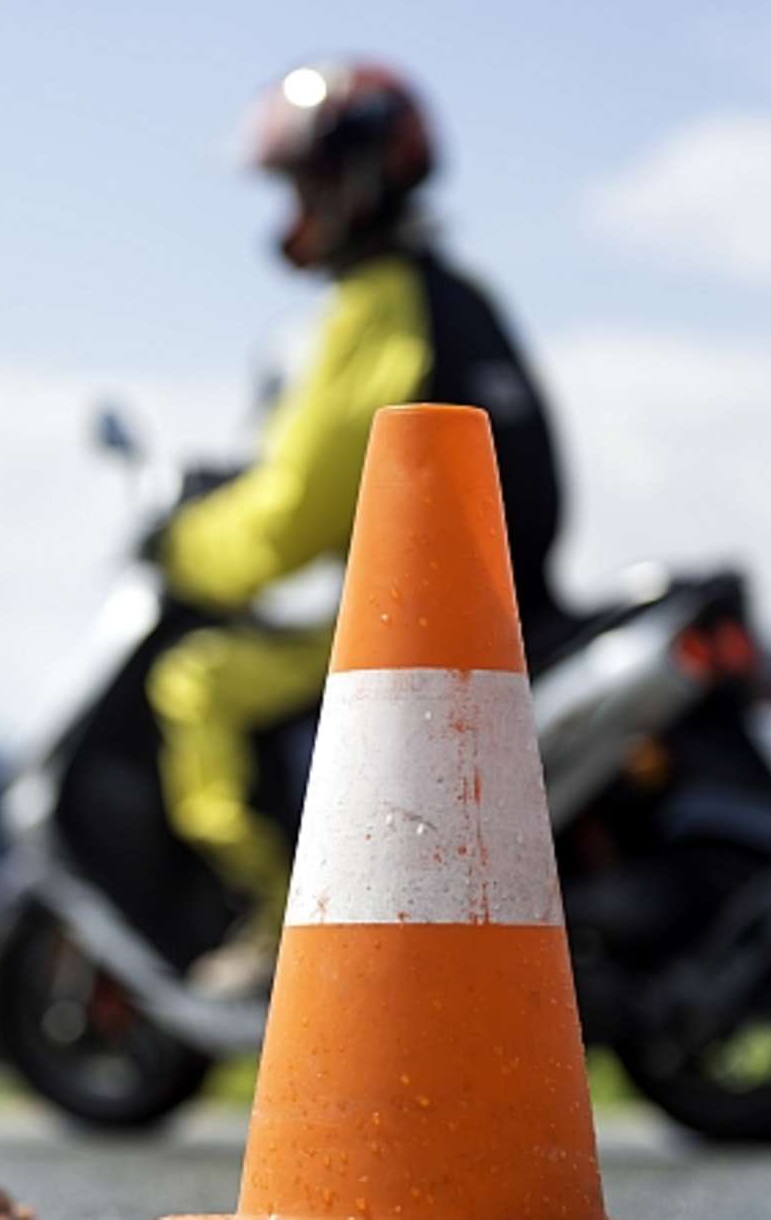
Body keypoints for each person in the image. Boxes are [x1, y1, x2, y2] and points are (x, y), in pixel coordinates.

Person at [149, 59, 568, 997]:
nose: (293, 205)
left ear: (353, 181)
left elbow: (296, 512)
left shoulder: (378, 307)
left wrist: (187, 550)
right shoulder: (459, 297)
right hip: (510, 609)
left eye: (302, 181)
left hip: (422, 627)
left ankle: (276, 930)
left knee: (198, 684)